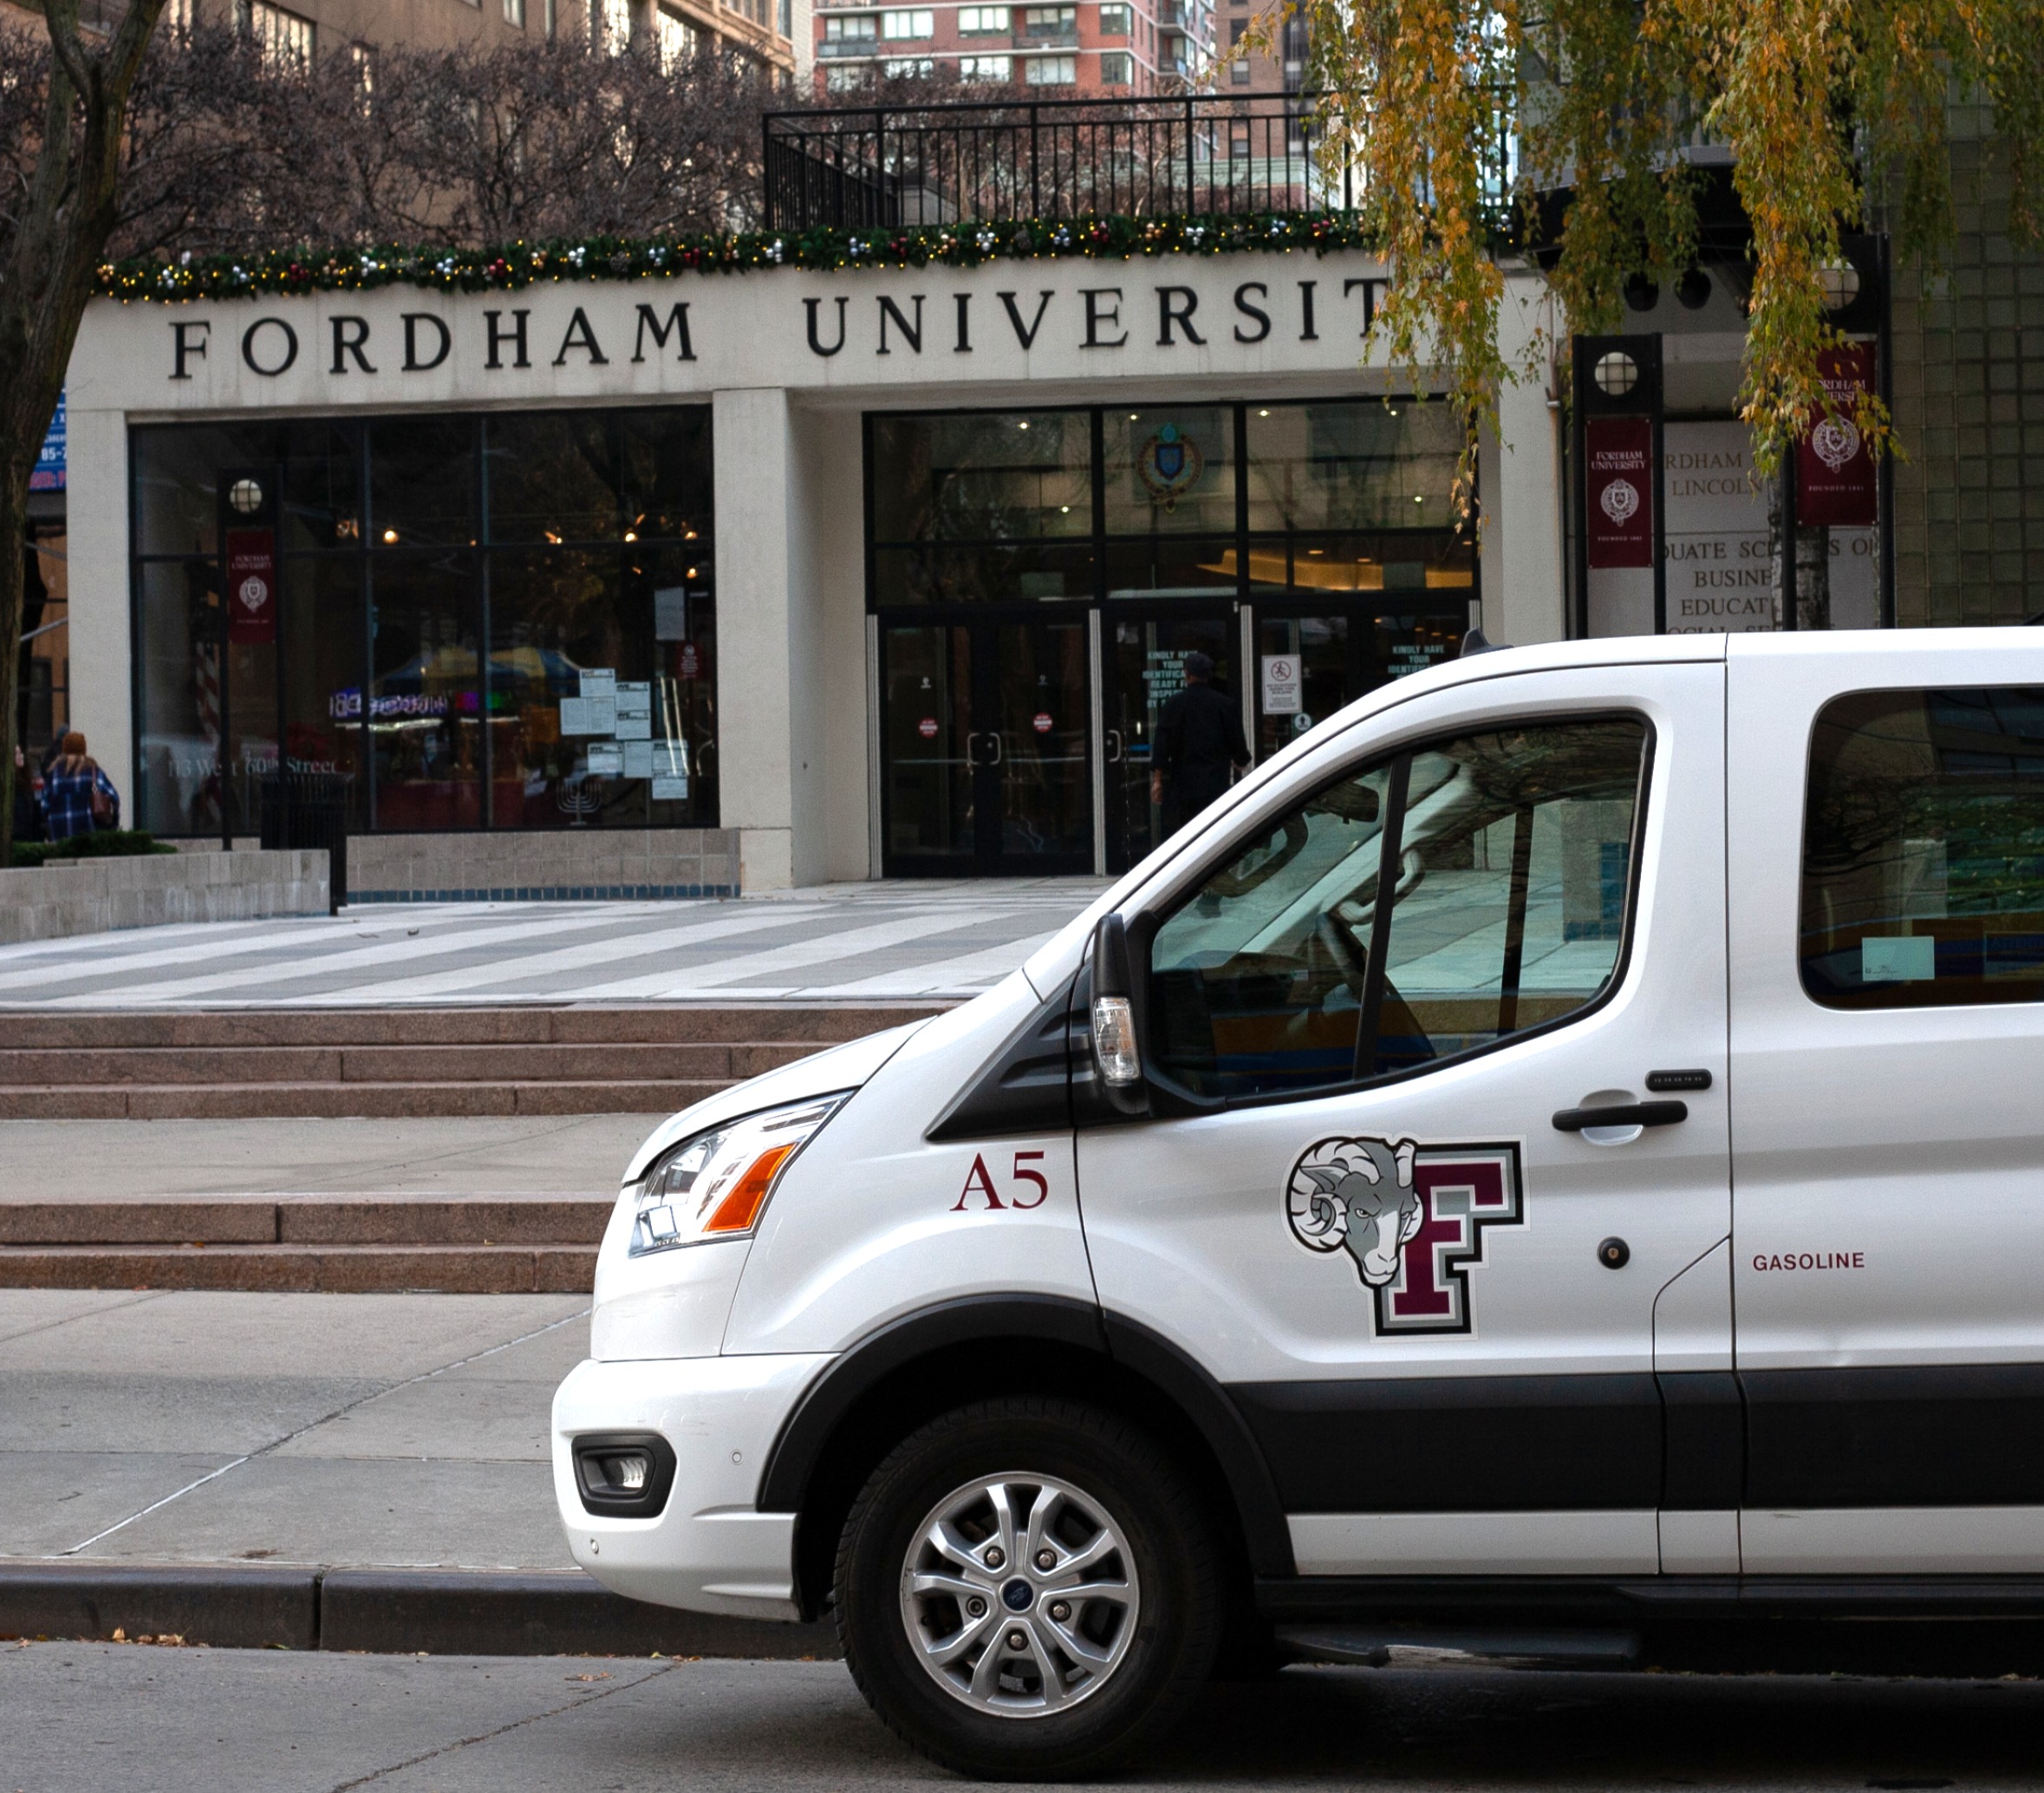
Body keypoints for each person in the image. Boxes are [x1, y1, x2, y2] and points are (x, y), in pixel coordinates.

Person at [1150, 650, 1250, 837]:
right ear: (1209, 676)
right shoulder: (1224, 704)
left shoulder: (1174, 704)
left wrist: (1157, 781)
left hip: (1183, 786)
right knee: (1215, 834)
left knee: (1186, 836)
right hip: (1215, 784)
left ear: (1187, 674)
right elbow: (1237, 741)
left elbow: (1162, 744)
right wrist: (1240, 760)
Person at [42, 731, 120, 841]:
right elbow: (114, 797)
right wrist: (113, 821)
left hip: (59, 834)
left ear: (64, 749)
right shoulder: (93, 772)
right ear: (83, 749)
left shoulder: (53, 774)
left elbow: (44, 806)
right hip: (88, 834)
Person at [11, 743, 45, 844]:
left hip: (28, 836)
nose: (21, 756)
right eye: (16, 754)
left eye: (20, 752)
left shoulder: (26, 781)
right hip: (17, 835)